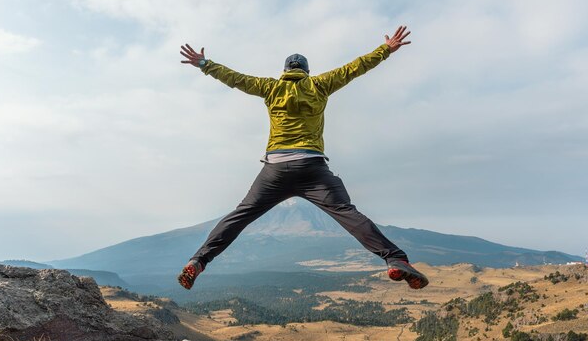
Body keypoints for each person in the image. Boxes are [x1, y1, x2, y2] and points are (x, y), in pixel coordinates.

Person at [178, 26, 428, 291]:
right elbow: (355, 67)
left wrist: (205, 64)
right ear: (306, 72)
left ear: (285, 72)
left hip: (274, 169)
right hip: (312, 168)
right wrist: (385, 50)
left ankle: (199, 260)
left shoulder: (270, 88)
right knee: (346, 213)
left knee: (241, 215)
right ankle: (395, 259)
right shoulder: (319, 85)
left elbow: (235, 78)